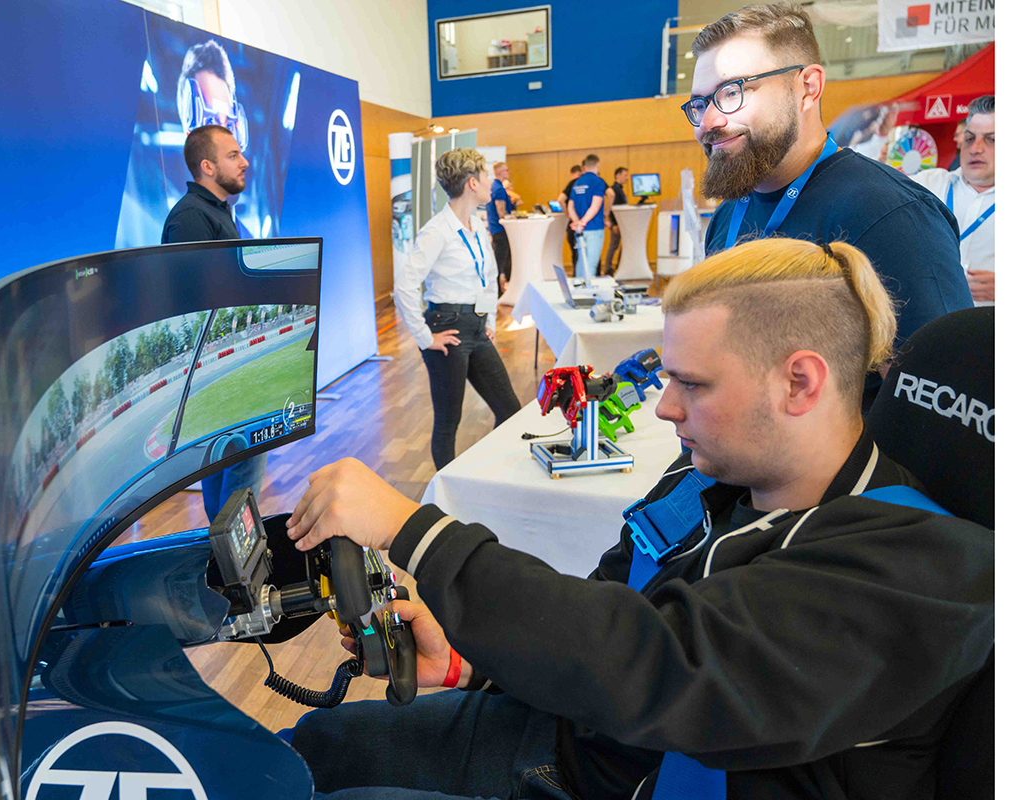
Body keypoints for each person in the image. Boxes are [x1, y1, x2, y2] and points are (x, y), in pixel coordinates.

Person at [284, 236, 993, 800]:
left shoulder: (919, 568)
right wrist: (477, 663)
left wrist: (416, 531)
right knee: (309, 749)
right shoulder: (706, 474)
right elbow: (613, 606)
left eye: (693, 384)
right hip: (589, 745)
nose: (665, 407)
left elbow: (663, 664)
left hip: (649, 769)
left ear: (799, 382)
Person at [685, 3, 971, 402]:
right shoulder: (730, 213)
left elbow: (946, 403)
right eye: (699, 104)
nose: (707, 122)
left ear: (808, 88)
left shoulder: (890, 216)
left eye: (731, 92)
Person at [160, 124, 265, 521]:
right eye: (233, 155)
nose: (244, 162)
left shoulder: (215, 212)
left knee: (231, 462)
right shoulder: (190, 219)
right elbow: (189, 300)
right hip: (214, 363)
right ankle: (233, 561)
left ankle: (228, 559)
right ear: (207, 166)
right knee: (239, 462)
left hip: (223, 360)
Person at [393, 149, 522, 471]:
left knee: (510, 410)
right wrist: (426, 338)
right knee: (448, 421)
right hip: (446, 327)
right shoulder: (437, 231)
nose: (493, 182)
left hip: (477, 328)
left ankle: (482, 474)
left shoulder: (477, 226)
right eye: (487, 175)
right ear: (472, 182)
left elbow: (489, 277)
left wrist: (488, 319)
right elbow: (405, 287)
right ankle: (446, 494)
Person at [911, 95, 994, 306]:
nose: (975, 148)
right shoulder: (929, 185)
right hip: (931, 326)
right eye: (969, 138)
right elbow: (872, 184)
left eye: (991, 139)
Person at [566, 154, 607, 283]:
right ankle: (588, 289)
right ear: (597, 165)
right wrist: (584, 221)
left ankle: (578, 286)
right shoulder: (598, 182)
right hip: (594, 227)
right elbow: (595, 206)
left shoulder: (577, 182)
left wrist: (578, 222)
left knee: (581, 260)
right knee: (591, 261)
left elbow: (570, 206)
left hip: (580, 229)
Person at [485, 161, 516, 296]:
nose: (508, 172)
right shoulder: (499, 189)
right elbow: (501, 212)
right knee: (501, 261)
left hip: (495, 228)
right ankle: (499, 292)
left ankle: (500, 290)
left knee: (500, 260)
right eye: (506, 170)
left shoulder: (493, 187)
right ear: (499, 173)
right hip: (501, 230)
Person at [604, 167, 630, 275]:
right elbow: (612, 208)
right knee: (614, 245)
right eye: (625, 175)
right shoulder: (614, 189)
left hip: (621, 222)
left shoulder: (620, 189)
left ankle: (618, 265)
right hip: (617, 223)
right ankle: (608, 268)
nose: (627, 178)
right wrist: (613, 224)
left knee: (617, 245)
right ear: (617, 175)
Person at [558, 164, 583, 273]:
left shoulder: (572, 184)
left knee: (575, 251)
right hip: (584, 221)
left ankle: (576, 274)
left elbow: (561, 199)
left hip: (572, 222)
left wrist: (567, 214)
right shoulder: (582, 183)